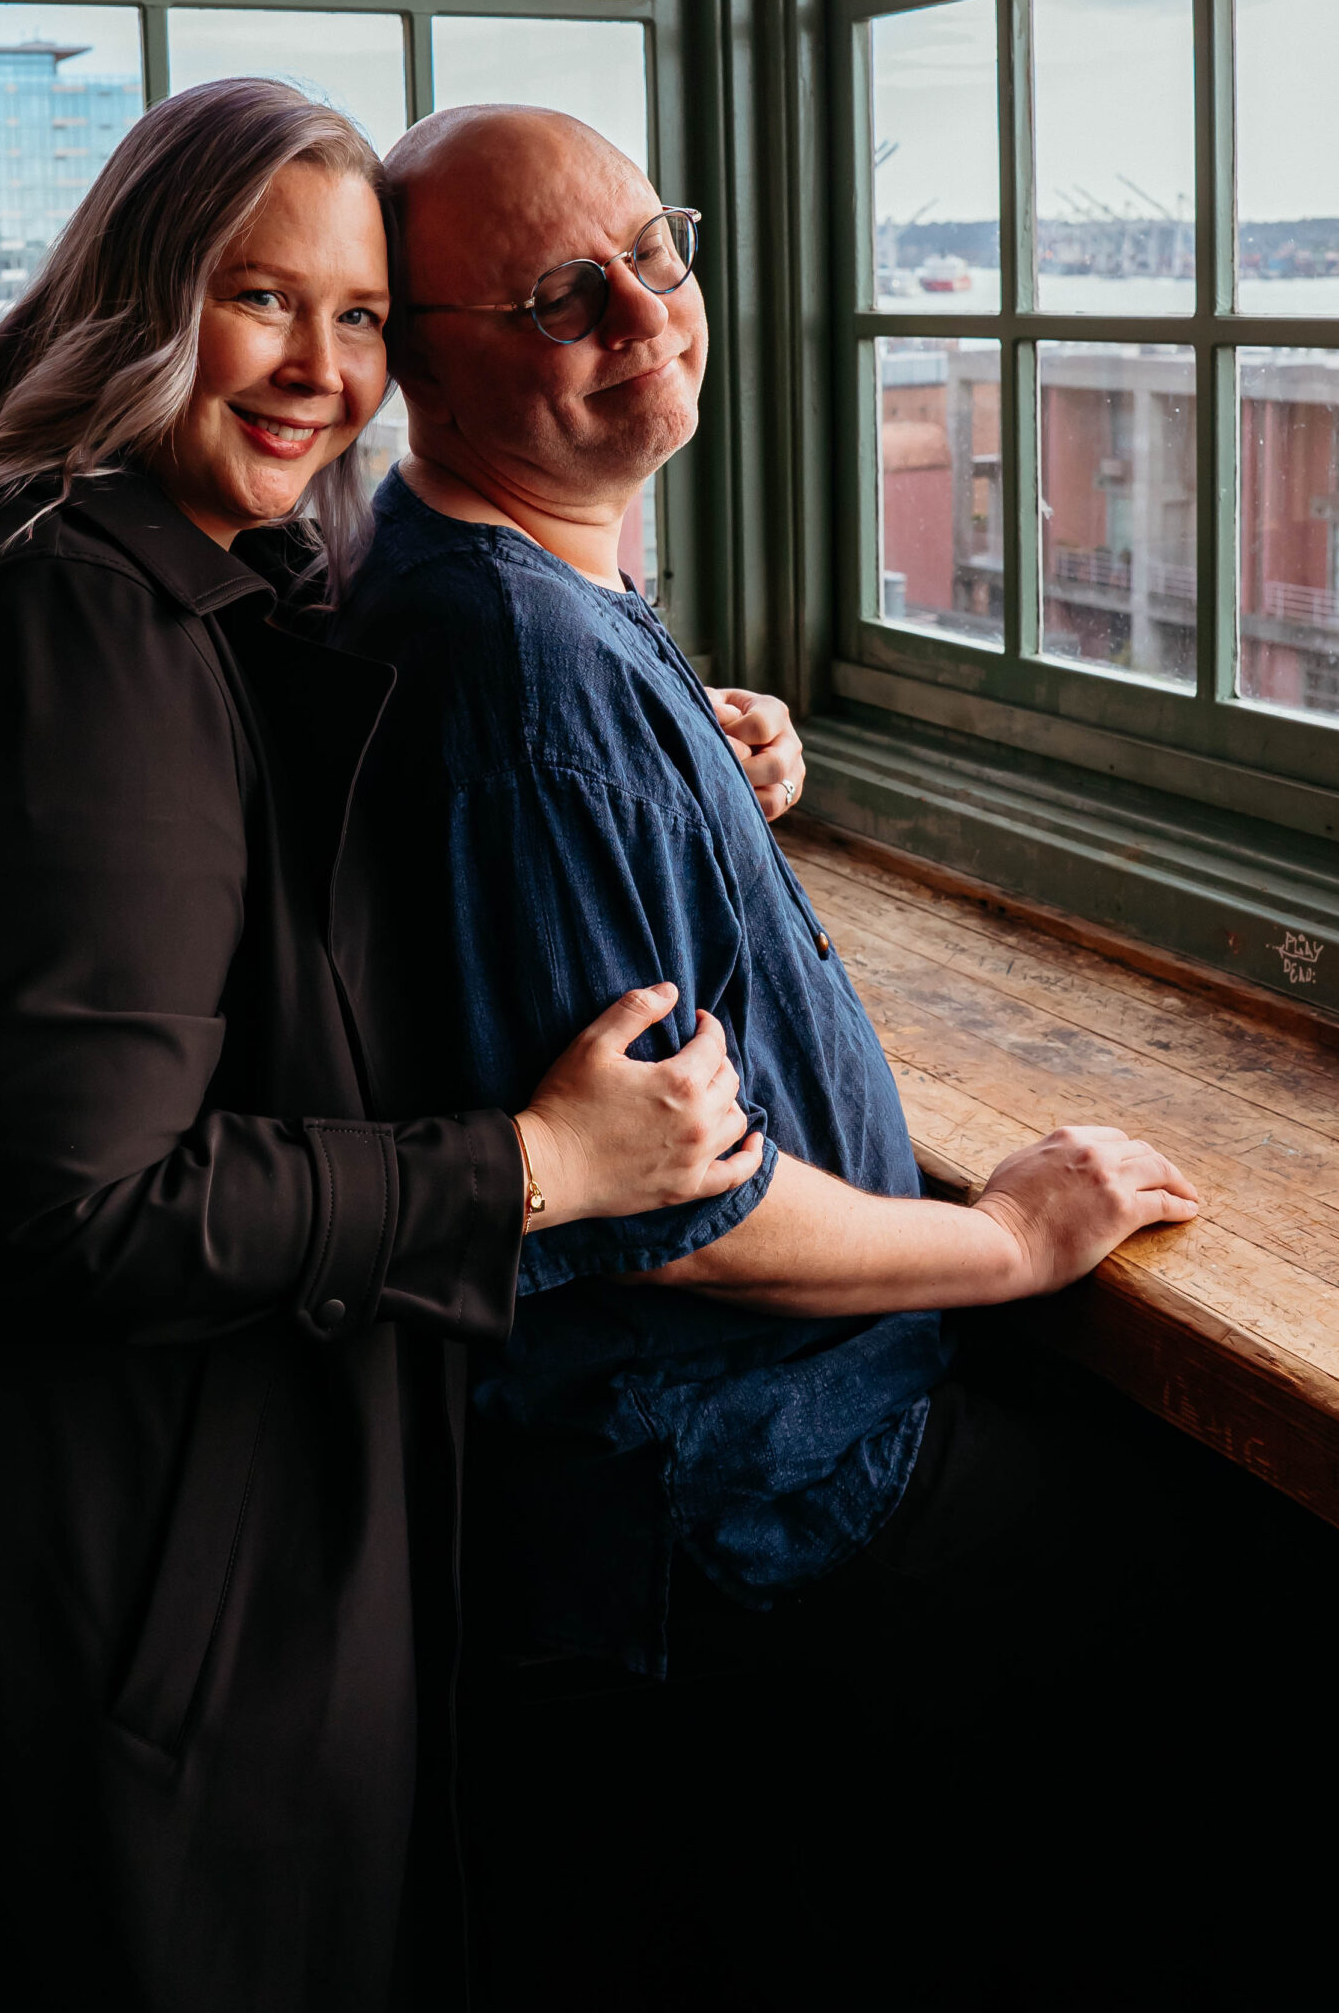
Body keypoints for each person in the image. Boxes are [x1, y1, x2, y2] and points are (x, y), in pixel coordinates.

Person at [0, 81, 758, 2013]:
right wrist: (538, 1170)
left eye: (358, 320)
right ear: (134, 299)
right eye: (259, 300)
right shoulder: (54, 618)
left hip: (66, 1469)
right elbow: (77, 1201)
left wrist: (696, 730)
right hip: (67, 1509)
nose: (320, 371)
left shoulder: (129, 558)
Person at [330, 104, 1205, 2001]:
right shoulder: (518, 672)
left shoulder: (497, 590)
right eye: (567, 294)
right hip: (740, 1498)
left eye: (658, 247)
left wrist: (706, 798)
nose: (647, 310)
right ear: (418, 357)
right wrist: (1013, 1240)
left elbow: (566, 928)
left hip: (706, 1465)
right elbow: (668, 1214)